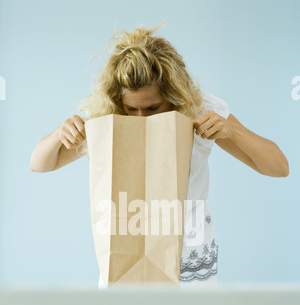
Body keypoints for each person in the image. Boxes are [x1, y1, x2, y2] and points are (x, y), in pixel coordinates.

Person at [30, 22, 289, 289]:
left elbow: (279, 167)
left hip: (190, 257)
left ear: (173, 95)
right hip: (125, 252)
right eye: (132, 108)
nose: (141, 117)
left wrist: (231, 130)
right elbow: (39, 163)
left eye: (152, 107)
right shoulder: (109, 119)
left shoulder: (200, 111)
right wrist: (60, 135)